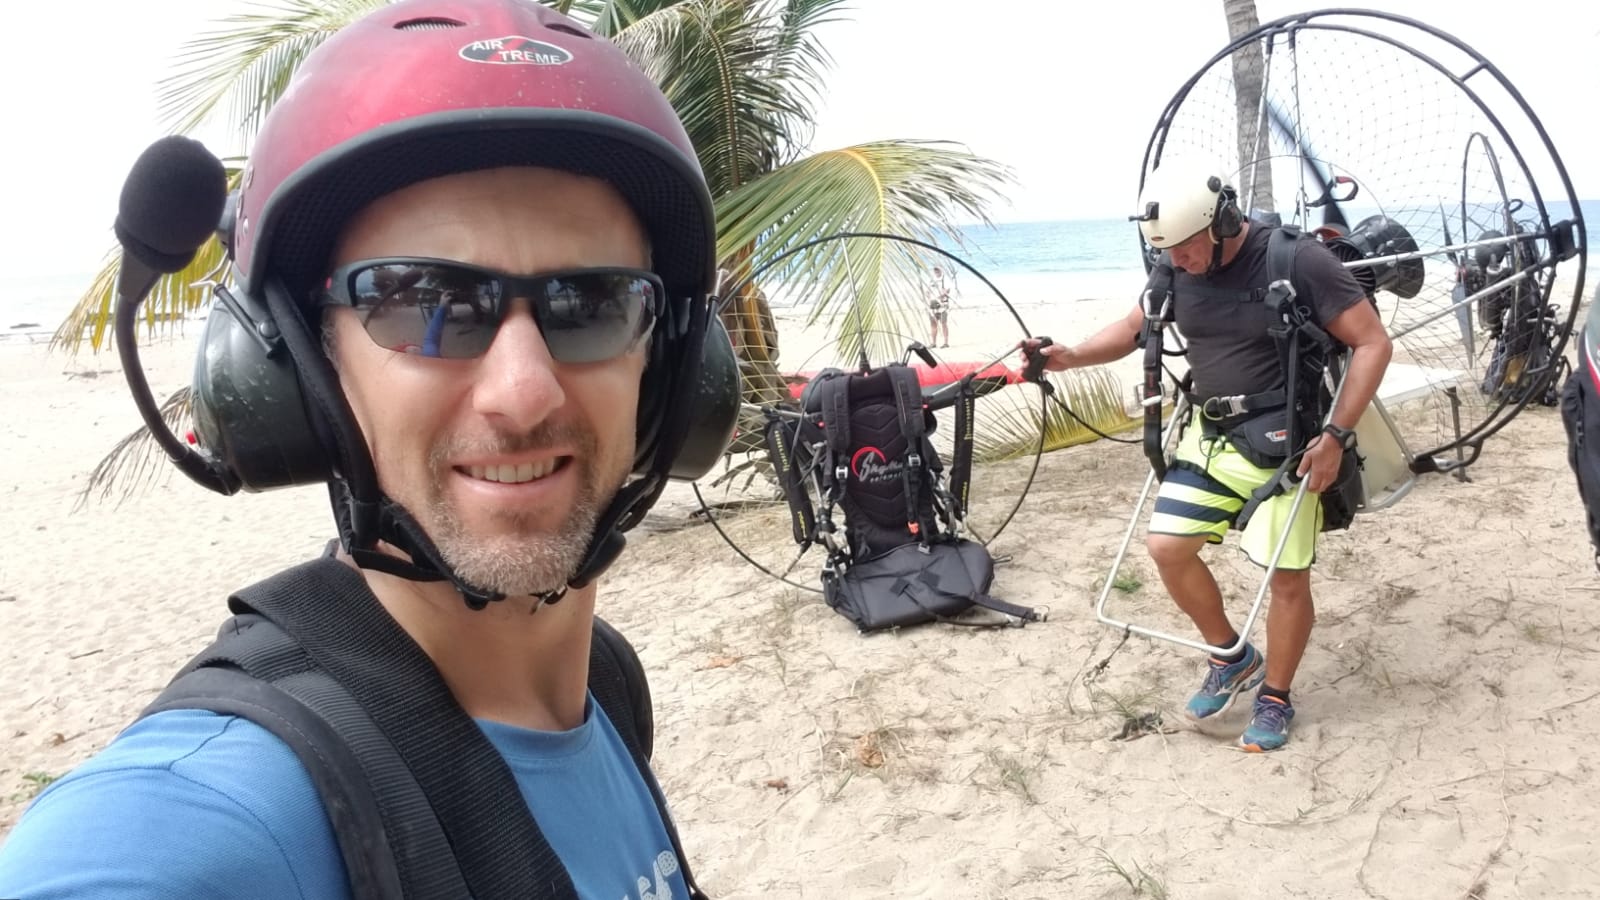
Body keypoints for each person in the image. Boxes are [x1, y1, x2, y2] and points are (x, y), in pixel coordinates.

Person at [0, 0, 738, 896]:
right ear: (301, 369)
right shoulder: (217, 815)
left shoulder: (607, 688)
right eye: (425, 300)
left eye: (593, 304)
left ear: (670, 369)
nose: (523, 391)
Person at [1026, 160, 1392, 752]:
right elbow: (1134, 326)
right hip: (1211, 435)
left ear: (1221, 222)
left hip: (1286, 446)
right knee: (1167, 548)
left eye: (1188, 248)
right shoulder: (1173, 263)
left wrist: (1335, 437)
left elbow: (1372, 342)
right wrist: (1069, 357)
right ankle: (1232, 655)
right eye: (1167, 251)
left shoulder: (1296, 260)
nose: (1179, 261)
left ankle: (1276, 696)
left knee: (1286, 578)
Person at [926, 264, 954, 347]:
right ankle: (933, 343)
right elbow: (927, 291)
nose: (936, 271)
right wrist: (929, 299)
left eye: (938, 270)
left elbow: (947, 290)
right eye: (935, 270)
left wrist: (940, 296)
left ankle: (946, 343)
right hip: (933, 304)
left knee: (943, 323)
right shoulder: (931, 279)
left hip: (942, 304)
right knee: (933, 323)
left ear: (941, 270)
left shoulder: (945, 279)